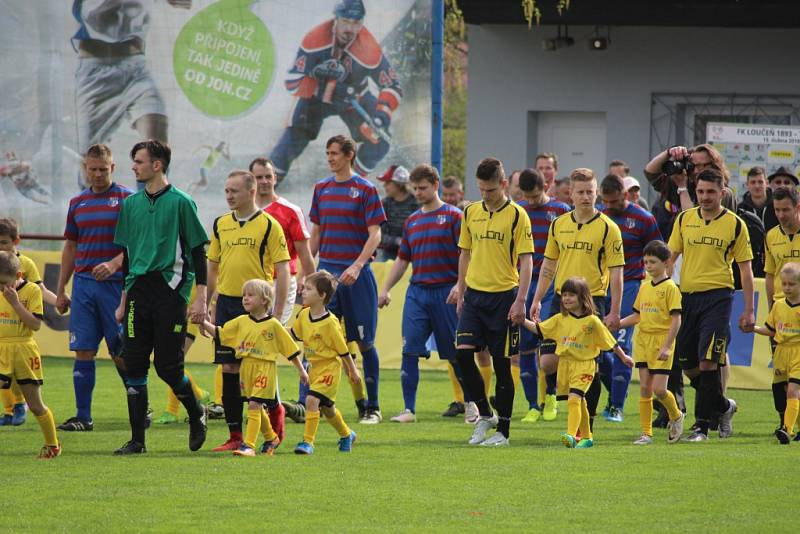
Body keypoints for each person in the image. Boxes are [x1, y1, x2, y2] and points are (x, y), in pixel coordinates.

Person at [112, 139, 209, 455]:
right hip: (138, 290)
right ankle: (137, 441)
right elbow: (126, 254)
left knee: (168, 368)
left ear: (157, 164)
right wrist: (124, 297)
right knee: (134, 365)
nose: (134, 167)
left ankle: (197, 414)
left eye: (139, 161)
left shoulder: (182, 202)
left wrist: (201, 297)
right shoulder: (130, 204)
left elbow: (197, 251)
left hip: (170, 291)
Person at [530, 168, 625, 430]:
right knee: (548, 361)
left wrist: (614, 310)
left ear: (597, 194)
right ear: (570, 194)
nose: (586, 196)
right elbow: (548, 266)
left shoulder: (609, 229)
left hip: (593, 300)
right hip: (560, 298)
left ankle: (588, 421)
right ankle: (554, 397)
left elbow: (617, 274)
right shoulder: (558, 224)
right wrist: (537, 299)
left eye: (590, 192)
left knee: (589, 362)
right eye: (580, 192)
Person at [206, 170, 291, 452]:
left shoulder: (269, 225)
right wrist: (206, 303)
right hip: (229, 304)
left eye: (234, 191)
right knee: (229, 368)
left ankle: (275, 417)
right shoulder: (220, 224)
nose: (228, 195)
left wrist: (276, 315)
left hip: (258, 308)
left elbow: (282, 270)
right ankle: (235, 436)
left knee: (255, 371)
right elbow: (213, 266)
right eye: (226, 190)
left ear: (251, 192)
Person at [270, 0, 402, 180]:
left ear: (362, 22)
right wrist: (317, 79)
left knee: (381, 139)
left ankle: (352, 184)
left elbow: (392, 86)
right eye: (346, 21)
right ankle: (265, 188)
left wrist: (380, 116)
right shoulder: (314, 39)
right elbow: (292, 81)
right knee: (291, 141)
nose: (350, 28)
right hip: (315, 100)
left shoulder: (369, 49)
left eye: (356, 23)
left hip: (353, 100)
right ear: (336, 19)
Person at [668, 168, 754, 442]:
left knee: (708, 362)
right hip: (687, 298)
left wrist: (749, 309)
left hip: (718, 298)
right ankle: (724, 406)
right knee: (688, 365)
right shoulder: (684, 220)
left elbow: (746, 270)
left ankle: (701, 427)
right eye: (701, 192)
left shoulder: (735, 224)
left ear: (722, 193)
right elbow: (670, 257)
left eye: (711, 192)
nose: (705, 197)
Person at [454, 157, 533, 447]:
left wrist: (521, 300)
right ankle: (486, 414)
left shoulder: (517, 216)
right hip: (474, 297)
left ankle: (504, 432)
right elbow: (464, 253)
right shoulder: (470, 212)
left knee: (502, 365)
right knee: (462, 355)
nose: (485, 196)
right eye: (481, 190)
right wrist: (461, 291)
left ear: (502, 184)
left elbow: (526, 261)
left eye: (489, 190)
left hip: (505, 298)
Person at [377, 164, 466, 422]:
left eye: (423, 188)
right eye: (415, 188)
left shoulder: (454, 217)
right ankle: (409, 410)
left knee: (456, 353)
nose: (418, 192)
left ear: (435, 185)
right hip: (418, 293)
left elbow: (466, 255)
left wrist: (460, 285)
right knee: (410, 349)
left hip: (445, 293)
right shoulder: (412, 221)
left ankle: (471, 403)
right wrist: (385, 289)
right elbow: (403, 260)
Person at [54, 144, 133, 432]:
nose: (98, 174)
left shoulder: (128, 199)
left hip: (116, 287)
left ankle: (140, 407)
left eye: (103, 169)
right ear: (85, 169)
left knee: (120, 350)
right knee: (83, 350)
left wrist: (114, 263)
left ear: (113, 167)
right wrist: (61, 288)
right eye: (92, 169)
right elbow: (71, 247)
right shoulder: (77, 203)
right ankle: (83, 416)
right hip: (84, 285)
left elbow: (139, 245)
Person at [310, 135, 386, 423]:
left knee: (365, 343)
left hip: (358, 277)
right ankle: (322, 402)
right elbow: (315, 233)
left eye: (335, 153)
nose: (330, 158)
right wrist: (309, 271)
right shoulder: (321, 189)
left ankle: (374, 407)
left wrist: (356, 265)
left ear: (350, 155)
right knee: (322, 342)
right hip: (327, 278)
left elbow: (375, 233)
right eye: (327, 153)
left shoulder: (366, 189)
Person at [71, 0, 190, 184]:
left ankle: (149, 206)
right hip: (95, 75)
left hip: (136, 68)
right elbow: (98, 16)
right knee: (90, 164)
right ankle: (96, 205)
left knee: (156, 142)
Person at [524, 277, 632, 449]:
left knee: (574, 399)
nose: (566, 298)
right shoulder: (560, 319)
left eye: (571, 295)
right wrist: (522, 320)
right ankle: (587, 438)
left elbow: (610, 341)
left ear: (582, 298)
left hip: (585, 365)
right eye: (564, 295)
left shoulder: (592, 321)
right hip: (566, 365)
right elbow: (539, 329)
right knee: (579, 401)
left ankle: (571, 435)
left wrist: (624, 357)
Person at [203, 279, 307, 456]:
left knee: (254, 404)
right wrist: (202, 322)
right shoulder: (241, 321)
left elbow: (290, 350)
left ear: (264, 300)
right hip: (246, 369)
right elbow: (221, 334)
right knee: (255, 405)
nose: (245, 298)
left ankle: (248, 445)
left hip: (264, 368)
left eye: (250, 295)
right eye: (244, 295)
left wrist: (302, 371)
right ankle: (271, 437)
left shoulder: (273, 325)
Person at [600, 174, 662, 422]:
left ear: (625, 195)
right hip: (600, 288)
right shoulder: (599, 216)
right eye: (605, 201)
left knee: (622, 347)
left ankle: (616, 406)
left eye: (613, 201)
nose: (609, 206)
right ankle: (616, 394)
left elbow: (659, 251)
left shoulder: (644, 219)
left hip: (630, 288)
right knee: (600, 350)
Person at [515, 169, 569, 423]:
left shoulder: (561, 211)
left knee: (546, 343)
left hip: (551, 286)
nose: (532, 201)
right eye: (527, 196)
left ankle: (550, 398)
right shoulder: (518, 211)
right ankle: (532, 406)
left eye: (536, 196)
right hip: (523, 285)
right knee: (524, 347)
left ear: (546, 186)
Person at [618, 240, 685, 444]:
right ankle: (646, 433)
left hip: (661, 341)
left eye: (653, 262)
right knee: (645, 388)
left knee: (659, 390)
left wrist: (666, 346)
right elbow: (637, 316)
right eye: (645, 261)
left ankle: (676, 415)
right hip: (643, 341)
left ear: (666, 263)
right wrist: (617, 324)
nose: (648, 266)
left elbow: (676, 319)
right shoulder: (644, 287)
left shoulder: (671, 288)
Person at [291, 271, 360, 454]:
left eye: (308, 289)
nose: (303, 292)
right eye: (304, 288)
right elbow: (294, 334)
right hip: (314, 368)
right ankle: (347, 434)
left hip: (330, 368)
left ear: (322, 295)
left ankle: (308, 442)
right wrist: (275, 332)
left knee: (311, 400)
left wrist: (352, 370)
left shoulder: (331, 323)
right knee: (328, 409)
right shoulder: (304, 315)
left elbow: (343, 350)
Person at [0, 251, 61, 458]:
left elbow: (35, 324)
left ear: (18, 276)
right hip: (2, 348)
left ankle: (52, 446)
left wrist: (16, 303)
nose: (1, 288)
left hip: (24, 350)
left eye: (3, 283)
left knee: (35, 405)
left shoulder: (32, 290)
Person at [0, 218, 57, 426]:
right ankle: (10, 410)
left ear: (16, 241)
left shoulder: (26, 265)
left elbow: (40, 291)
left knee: (16, 372)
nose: (1, 247)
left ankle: (19, 404)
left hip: (20, 327)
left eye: (4, 242)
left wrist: (59, 301)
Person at [763, 186, 800, 428]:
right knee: (780, 376)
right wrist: (771, 309)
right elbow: (769, 275)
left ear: (797, 207)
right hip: (781, 312)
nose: (781, 215)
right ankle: (784, 423)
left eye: (786, 209)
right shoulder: (771, 237)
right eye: (777, 210)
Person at [643, 143, 735, 240]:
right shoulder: (687, 186)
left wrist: (682, 188)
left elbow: (693, 222)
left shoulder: (723, 193)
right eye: (693, 166)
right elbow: (650, 173)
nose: (696, 171)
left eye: (702, 166)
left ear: (715, 166)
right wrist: (669, 152)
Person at [754, 262, 800, 444]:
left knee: (793, 390)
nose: (787, 288)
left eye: (792, 284)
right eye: (784, 283)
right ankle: (792, 426)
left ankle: (786, 430)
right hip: (781, 352)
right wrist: (754, 328)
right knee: (780, 391)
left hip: (798, 352)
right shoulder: (779, 305)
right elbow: (771, 329)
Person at [377, 165, 419, 261]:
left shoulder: (416, 203)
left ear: (399, 184)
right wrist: (397, 241)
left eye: (388, 183)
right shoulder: (385, 204)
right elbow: (379, 234)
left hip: (413, 255)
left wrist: (406, 242)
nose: (384, 186)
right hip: (389, 255)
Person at [739, 166, 777, 231]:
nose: (757, 186)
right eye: (753, 182)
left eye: (760, 182)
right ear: (747, 184)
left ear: (767, 183)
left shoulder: (777, 205)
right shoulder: (740, 209)